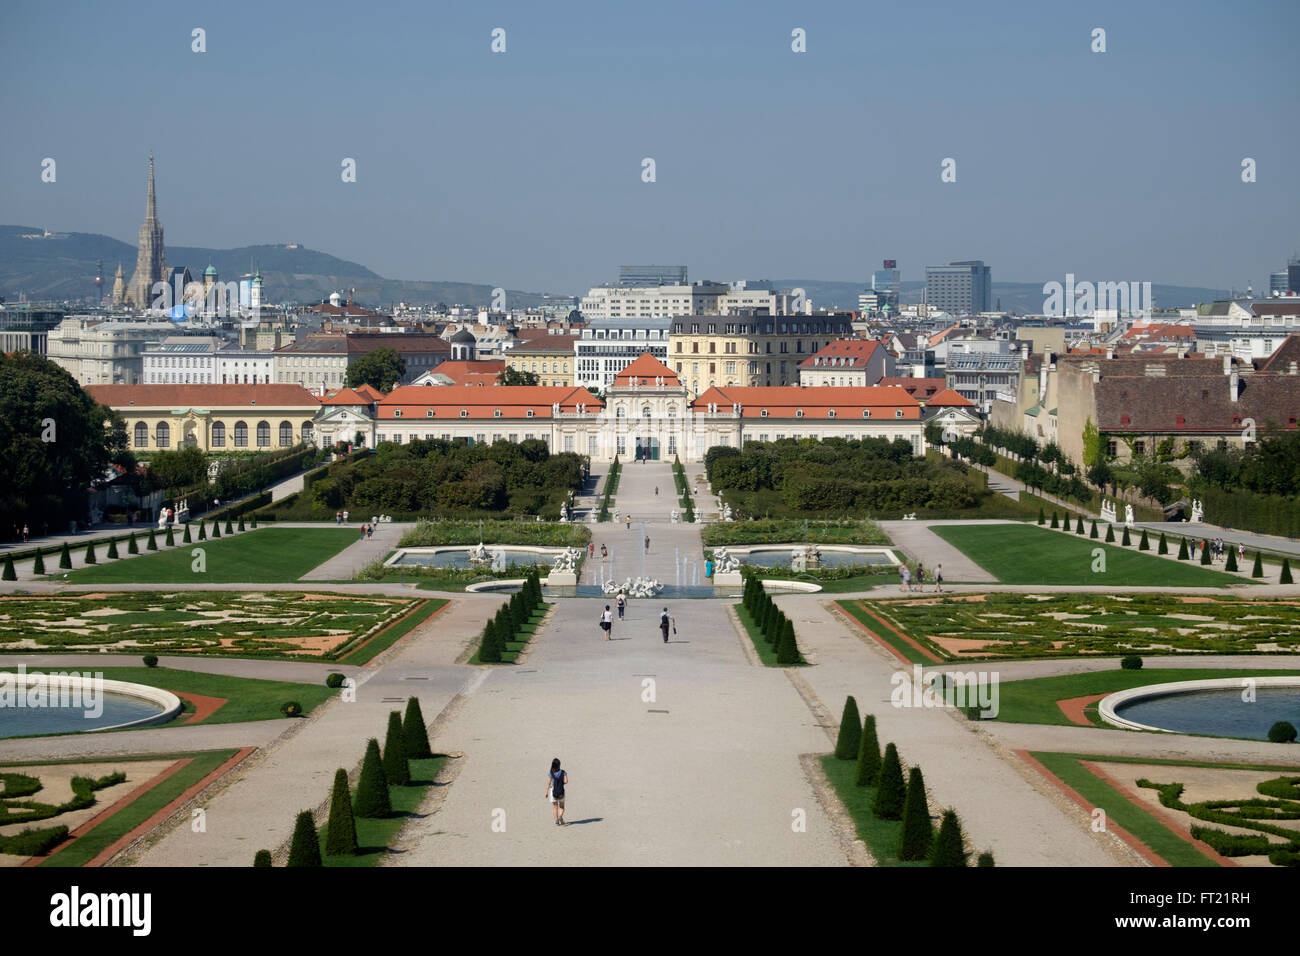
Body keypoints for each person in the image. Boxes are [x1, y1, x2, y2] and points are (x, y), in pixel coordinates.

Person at [546, 758, 567, 826]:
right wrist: (561, 782)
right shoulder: (563, 772)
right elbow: (566, 781)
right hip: (561, 791)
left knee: (555, 807)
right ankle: (560, 816)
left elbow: (548, 783)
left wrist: (546, 792)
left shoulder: (551, 773)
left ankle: (557, 820)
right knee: (562, 806)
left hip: (553, 792)